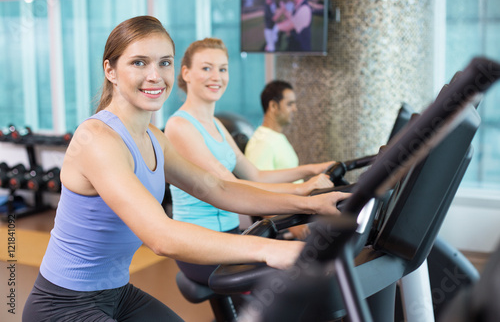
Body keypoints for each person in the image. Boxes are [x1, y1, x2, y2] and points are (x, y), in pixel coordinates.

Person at [22, 16, 348, 322]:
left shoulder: (153, 136)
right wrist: (269, 249)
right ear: (110, 70)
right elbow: (161, 236)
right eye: (139, 63)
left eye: (164, 62)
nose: (155, 75)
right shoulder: (97, 139)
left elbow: (216, 188)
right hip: (62, 304)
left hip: (117, 293)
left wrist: (309, 201)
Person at [164, 37, 338, 285]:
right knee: (292, 277)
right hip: (200, 243)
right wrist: (302, 192)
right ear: (186, 73)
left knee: (303, 267)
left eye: (223, 69)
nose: (217, 76)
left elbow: (255, 175)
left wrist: (313, 169)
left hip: (230, 235)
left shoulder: (216, 125)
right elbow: (227, 184)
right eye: (206, 68)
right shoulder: (179, 126)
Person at [245, 80, 311, 239]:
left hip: (299, 216)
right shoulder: (262, 143)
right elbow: (258, 196)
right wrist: (293, 225)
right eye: (290, 104)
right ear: (273, 106)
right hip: (286, 228)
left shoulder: (275, 138)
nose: (294, 109)